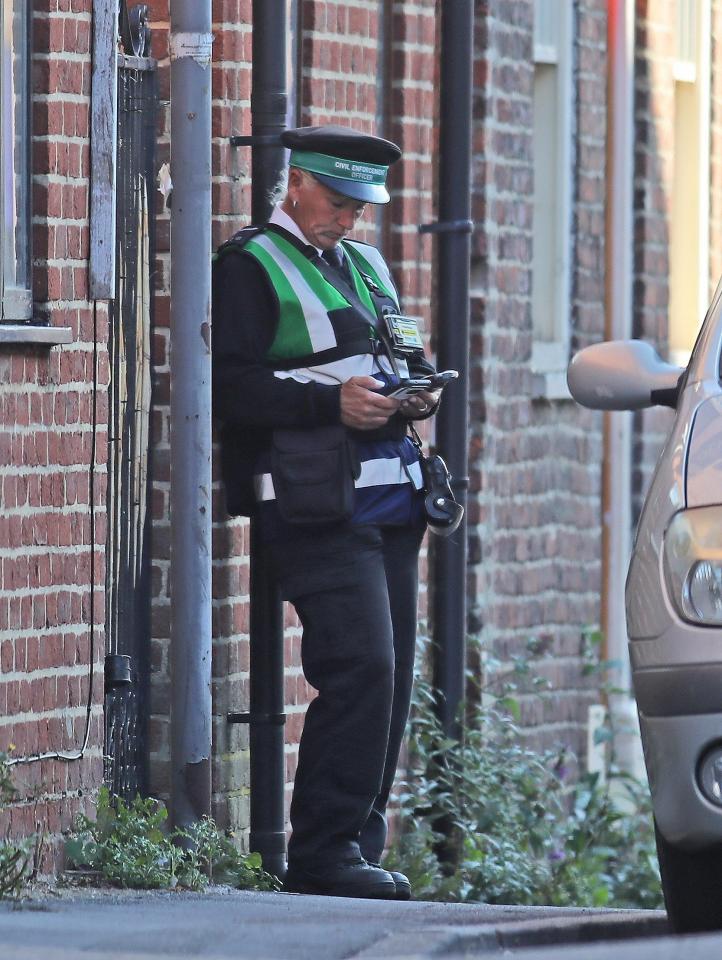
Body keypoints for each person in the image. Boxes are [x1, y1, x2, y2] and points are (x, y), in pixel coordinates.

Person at [212, 125, 440, 900]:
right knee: (361, 665)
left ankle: (357, 846)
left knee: (394, 677)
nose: (347, 220)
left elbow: (388, 356)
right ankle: (323, 853)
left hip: (391, 497)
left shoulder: (367, 265)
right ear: (295, 184)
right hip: (316, 503)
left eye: (358, 208)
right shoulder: (248, 266)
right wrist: (330, 404)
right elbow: (232, 389)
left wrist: (414, 390)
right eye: (337, 202)